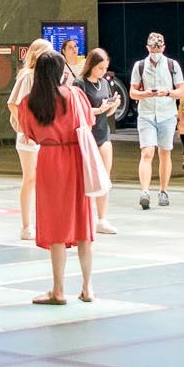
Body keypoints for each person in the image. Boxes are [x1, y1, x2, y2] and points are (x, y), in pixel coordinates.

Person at [15, 51, 95, 305]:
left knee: (56, 226)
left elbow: (30, 134)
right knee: (83, 225)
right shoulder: (76, 96)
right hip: (76, 159)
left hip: (50, 161)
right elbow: (89, 123)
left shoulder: (29, 102)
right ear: (61, 71)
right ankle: (87, 287)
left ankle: (58, 289)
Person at [130, 32, 184, 210]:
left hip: (167, 114)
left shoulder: (172, 65)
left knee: (165, 152)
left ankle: (163, 191)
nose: (156, 51)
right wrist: (145, 94)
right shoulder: (139, 66)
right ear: (147, 48)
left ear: (163, 48)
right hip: (146, 114)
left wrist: (167, 92)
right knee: (147, 152)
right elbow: (132, 92)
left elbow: (181, 91)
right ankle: (144, 191)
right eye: (153, 48)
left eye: (159, 48)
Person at [7, 38, 54, 240]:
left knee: (44, 179)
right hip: (29, 136)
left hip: (44, 134)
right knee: (30, 178)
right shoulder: (27, 76)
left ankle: (44, 222)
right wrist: (27, 129)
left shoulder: (48, 78)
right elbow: (14, 104)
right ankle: (26, 226)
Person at [76, 49, 119, 235]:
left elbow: (105, 112)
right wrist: (99, 110)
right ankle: (83, 216)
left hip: (103, 132)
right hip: (86, 135)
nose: (102, 71)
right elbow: (78, 111)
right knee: (85, 177)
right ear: (91, 65)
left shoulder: (103, 84)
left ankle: (102, 219)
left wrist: (112, 107)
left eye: (105, 68)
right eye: (100, 67)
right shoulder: (79, 84)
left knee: (104, 177)